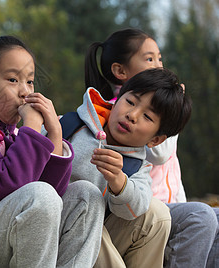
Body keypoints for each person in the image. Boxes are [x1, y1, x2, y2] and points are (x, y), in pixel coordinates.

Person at [0, 35, 105, 267]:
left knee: (86, 195)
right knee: (40, 195)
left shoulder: (15, 134)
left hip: (12, 227)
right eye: (13, 80)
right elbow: (10, 183)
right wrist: (33, 129)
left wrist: (55, 132)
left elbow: (53, 193)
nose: (25, 92)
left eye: (30, 81)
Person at [84, 28, 218, 267]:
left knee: (212, 217)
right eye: (149, 59)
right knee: (200, 216)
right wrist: (170, 119)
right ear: (120, 71)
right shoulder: (116, 110)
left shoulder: (142, 109)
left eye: (159, 58)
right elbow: (158, 153)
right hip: (141, 207)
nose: (158, 66)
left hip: (165, 204)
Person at [63, 68, 191, 267]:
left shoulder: (137, 165)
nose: (132, 115)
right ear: (117, 100)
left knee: (158, 216)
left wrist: (119, 181)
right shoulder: (70, 125)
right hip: (57, 221)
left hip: (98, 237)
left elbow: (136, 207)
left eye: (148, 117)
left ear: (155, 140)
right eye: (130, 102)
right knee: (86, 198)